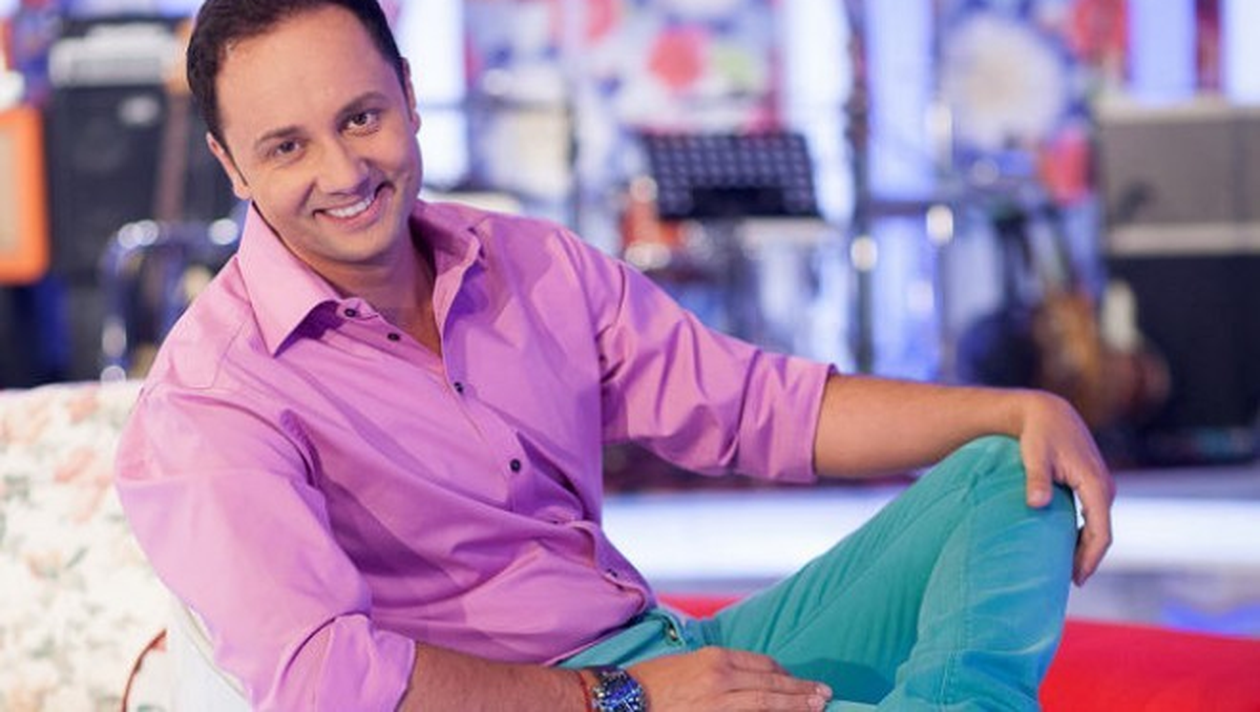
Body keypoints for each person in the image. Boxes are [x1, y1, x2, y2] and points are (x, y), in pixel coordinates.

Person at [114, 1, 1115, 709]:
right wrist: (624, 698)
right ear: (230, 164)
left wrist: (1016, 407)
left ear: (409, 95)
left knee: (1011, 470)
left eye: (360, 117)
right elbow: (325, 679)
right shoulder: (214, 396)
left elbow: (753, 406)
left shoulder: (527, 262)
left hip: (670, 652)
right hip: (571, 701)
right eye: (287, 147)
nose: (344, 171)